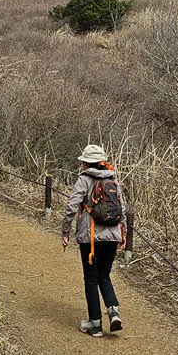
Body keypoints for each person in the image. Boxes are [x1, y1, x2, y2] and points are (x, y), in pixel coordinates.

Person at [61, 143, 126, 337]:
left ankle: (95, 324)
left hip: (91, 237)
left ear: (86, 163)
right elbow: (121, 208)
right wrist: (123, 234)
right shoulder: (113, 179)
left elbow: (72, 206)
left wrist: (65, 231)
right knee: (104, 275)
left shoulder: (84, 180)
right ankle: (113, 311)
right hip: (113, 235)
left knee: (91, 277)